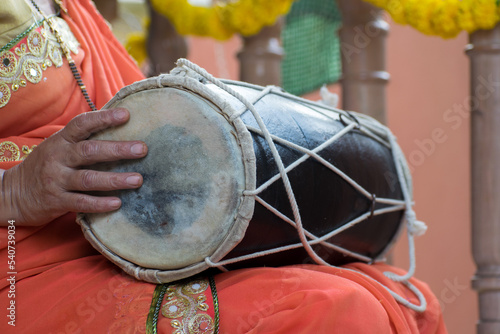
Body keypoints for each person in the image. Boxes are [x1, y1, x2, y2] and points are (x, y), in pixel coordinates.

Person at [0, 0, 447, 333]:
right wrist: (15, 189)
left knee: (406, 297)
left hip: (128, 240)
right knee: (336, 308)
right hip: (24, 263)